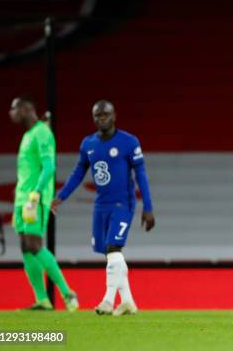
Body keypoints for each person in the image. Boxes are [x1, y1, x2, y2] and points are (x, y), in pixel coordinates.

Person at [52, 100, 154, 316]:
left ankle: (107, 301)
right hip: (101, 206)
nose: (101, 119)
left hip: (122, 205)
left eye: (105, 114)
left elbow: (141, 175)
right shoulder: (88, 144)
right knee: (111, 254)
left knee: (113, 249)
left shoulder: (129, 142)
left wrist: (148, 206)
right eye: (97, 115)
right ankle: (128, 302)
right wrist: (61, 196)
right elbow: (78, 173)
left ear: (114, 116)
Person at [9, 96, 78, 311]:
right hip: (22, 198)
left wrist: (36, 193)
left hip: (33, 199)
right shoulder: (29, 135)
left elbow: (49, 167)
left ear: (26, 109)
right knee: (25, 247)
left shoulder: (41, 133)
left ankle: (68, 294)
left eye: (14, 109)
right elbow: (30, 169)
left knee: (34, 244)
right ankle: (42, 300)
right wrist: (19, 192)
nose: (11, 113)